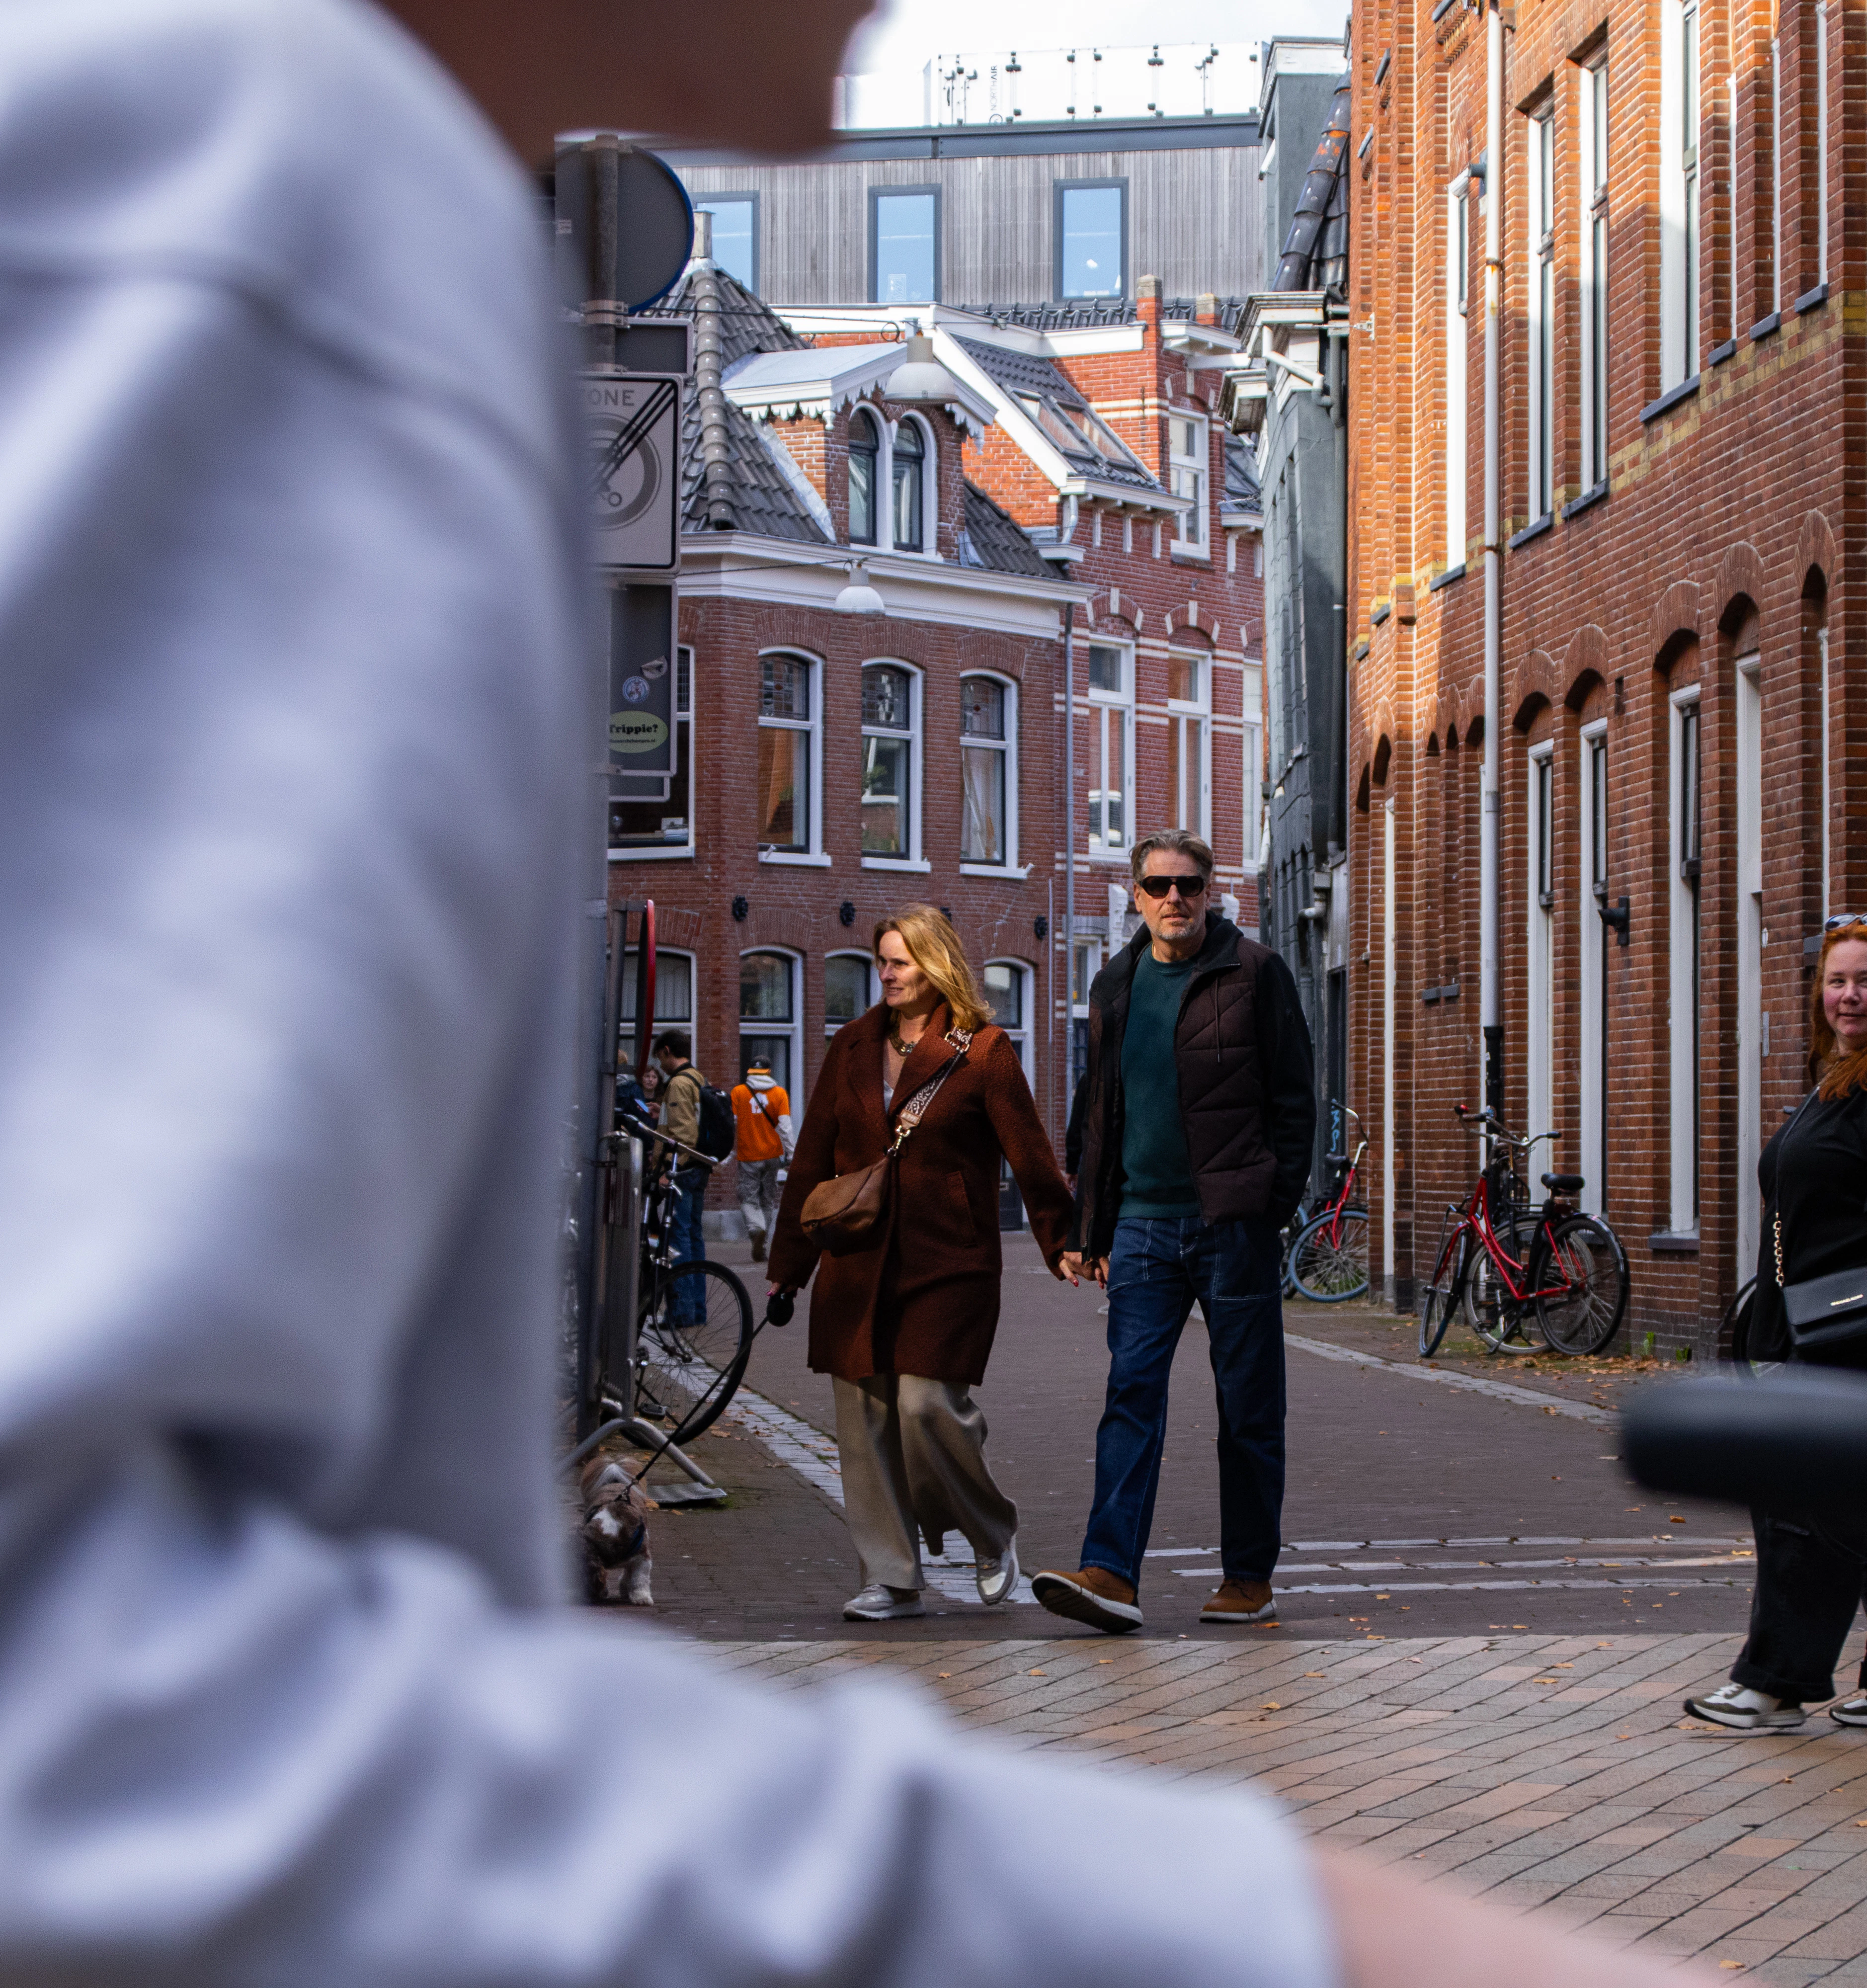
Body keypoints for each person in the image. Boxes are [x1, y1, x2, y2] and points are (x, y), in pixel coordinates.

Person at [0, 0, 1695, 1980]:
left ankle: (1117, 1560)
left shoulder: (319, 224)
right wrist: (1270, 1935)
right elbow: (78, 1681)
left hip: (1140, 1233)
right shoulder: (280, 236)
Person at [1685, 917, 1867, 1734]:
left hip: (1865, 1332)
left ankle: (1775, 1683)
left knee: (1802, 1500)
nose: (1850, 995)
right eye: (1838, 981)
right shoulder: (1843, 1075)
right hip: (1817, 1322)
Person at [1038, 830, 1316, 1634]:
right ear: (1135, 894)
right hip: (1140, 1229)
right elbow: (1098, 1108)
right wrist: (1089, 1226)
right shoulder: (1116, 982)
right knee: (1130, 1394)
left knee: (1248, 1405)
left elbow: (1295, 1099)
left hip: (1231, 1225)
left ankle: (1247, 1578)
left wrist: (1270, 1204)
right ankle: (1110, 1573)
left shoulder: (1255, 973)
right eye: (1158, 885)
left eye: (1188, 885)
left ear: (1212, 890)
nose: (1174, 899)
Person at [767, 907, 1075, 1622]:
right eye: (882, 962)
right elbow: (813, 1156)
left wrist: (1061, 1242)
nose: (888, 975)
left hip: (949, 1261)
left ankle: (990, 1531)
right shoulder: (850, 1045)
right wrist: (790, 1264)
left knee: (924, 1406)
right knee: (866, 1423)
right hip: (856, 1263)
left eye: (901, 962)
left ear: (936, 966)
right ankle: (894, 1577)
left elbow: (1029, 1154)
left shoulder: (983, 1051)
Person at [651, 1030, 709, 1302]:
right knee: (695, 1236)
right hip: (700, 1167)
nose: (659, 1065)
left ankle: (682, 1312)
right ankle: (697, 1308)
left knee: (678, 1237)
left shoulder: (677, 1084)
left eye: (659, 1058)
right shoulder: (699, 1078)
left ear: (667, 1051)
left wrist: (668, 1172)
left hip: (683, 1171)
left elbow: (684, 1135)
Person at [731, 1056, 793, 1261]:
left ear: (750, 1071)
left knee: (748, 1198)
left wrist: (726, 1152)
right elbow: (785, 1127)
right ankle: (763, 1244)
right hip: (773, 1155)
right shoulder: (779, 1094)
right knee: (767, 1200)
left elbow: (732, 1124)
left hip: (749, 1155)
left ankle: (756, 1229)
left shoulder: (739, 1092)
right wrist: (792, 1154)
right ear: (769, 1071)